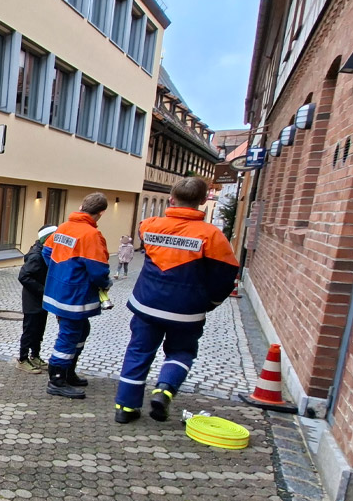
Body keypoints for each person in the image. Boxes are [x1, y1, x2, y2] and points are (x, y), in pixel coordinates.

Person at [113, 177, 239, 423]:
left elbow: (146, 238)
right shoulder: (211, 236)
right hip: (186, 310)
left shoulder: (149, 225)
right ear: (203, 201)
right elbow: (226, 274)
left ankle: (125, 408)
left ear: (171, 199)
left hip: (146, 304)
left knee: (138, 352)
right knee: (181, 351)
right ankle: (165, 389)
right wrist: (211, 302)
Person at [43, 193, 112, 399]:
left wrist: (60, 274)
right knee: (70, 334)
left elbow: (47, 252)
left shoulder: (63, 227)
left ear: (81, 205)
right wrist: (105, 284)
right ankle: (56, 379)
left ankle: (68, 371)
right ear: (100, 213)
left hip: (59, 290)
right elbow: (98, 270)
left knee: (81, 330)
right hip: (75, 295)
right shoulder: (91, 235)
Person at [17, 225, 58, 374]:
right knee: (30, 330)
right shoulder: (36, 255)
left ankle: (35, 356)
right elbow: (23, 276)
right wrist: (42, 290)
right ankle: (22, 359)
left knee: (39, 329)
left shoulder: (47, 252)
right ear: (48, 238)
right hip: (32, 299)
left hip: (42, 299)